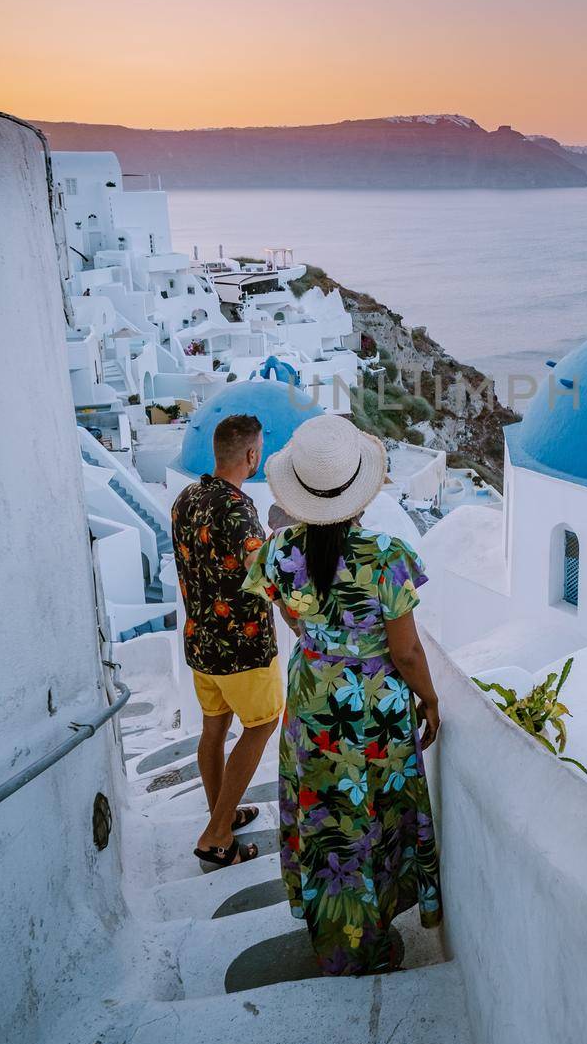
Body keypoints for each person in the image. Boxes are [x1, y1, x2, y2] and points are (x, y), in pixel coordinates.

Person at [244, 413, 442, 975]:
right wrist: (429, 699)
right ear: (360, 487)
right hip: (373, 716)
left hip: (311, 709)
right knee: (374, 815)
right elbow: (406, 653)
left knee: (329, 818)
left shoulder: (279, 553)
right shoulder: (388, 557)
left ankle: (337, 936)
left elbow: (289, 611)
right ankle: (371, 939)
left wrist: (320, 637)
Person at [171, 413, 282, 869]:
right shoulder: (238, 511)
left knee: (213, 731)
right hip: (243, 648)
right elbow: (267, 573)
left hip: (201, 644)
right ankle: (218, 836)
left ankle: (223, 813)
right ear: (252, 456)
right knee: (261, 725)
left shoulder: (187, 498)